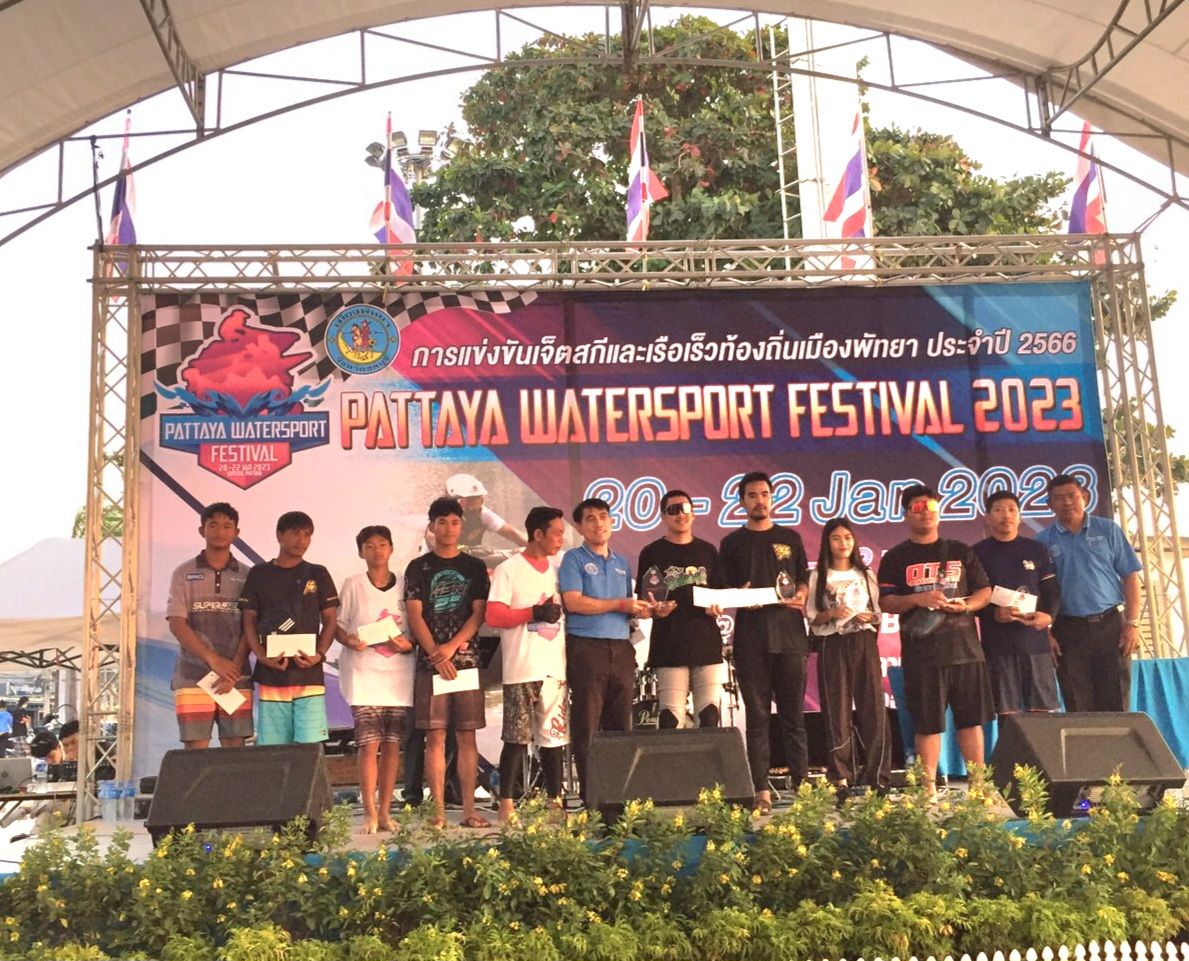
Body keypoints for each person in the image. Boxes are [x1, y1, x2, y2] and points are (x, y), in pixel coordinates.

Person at [878, 485, 993, 793]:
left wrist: (965, 606)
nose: (925, 512)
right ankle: (928, 790)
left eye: (930, 506)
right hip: (923, 655)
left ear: (939, 512)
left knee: (971, 722)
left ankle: (978, 787)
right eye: (917, 508)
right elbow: (886, 602)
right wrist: (918, 599)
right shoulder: (896, 557)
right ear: (906, 515)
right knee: (927, 724)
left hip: (965, 651)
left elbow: (984, 592)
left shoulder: (960, 551)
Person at [718, 471, 811, 814]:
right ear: (742, 501)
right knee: (757, 719)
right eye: (752, 495)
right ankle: (761, 792)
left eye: (764, 494)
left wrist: (801, 594)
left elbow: (803, 579)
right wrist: (738, 595)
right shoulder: (731, 543)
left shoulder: (790, 537)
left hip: (790, 638)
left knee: (793, 718)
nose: (760, 501)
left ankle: (803, 790)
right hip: (751, 642)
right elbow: (723, 588)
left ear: (772, 498)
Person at [404, 496, 491, 829]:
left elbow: (479, 613)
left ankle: (469, 809)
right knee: (435, 737)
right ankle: (438, 812)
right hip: (431, 665)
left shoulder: (474, 566)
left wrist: (451, 647)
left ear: (462, 525)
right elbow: (415, 616)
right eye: (442, 522)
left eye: (455, 522)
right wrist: (435, 654)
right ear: (431, 526)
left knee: (467, 736)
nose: (449, 528)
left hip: (466, 662)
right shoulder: (418, 567)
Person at [559, 497, 651, 807]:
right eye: (590, 518)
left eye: (603, 516)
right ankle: (592, 798)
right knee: (587, 724)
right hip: (587, 647)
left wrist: (646, 610)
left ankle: (619, 798)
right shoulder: (573, 559)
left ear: (612, 521)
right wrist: (620, 604)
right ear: (579, 527)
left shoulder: (622, 562)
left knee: (620, 726)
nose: (599, 523)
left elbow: (627, 610)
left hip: (621, 647)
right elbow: (573, 602)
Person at [485, 506, 569, 822]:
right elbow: (494, 615)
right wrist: (533, 612)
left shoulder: (558, 570)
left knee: (554, 738)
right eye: (556, 533)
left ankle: (555, 802)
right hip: (522, 667)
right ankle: (506, 803)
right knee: (516, 737)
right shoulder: (509, 569)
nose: (561, 539)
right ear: (538, 534)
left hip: (554, 667)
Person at [1035, 473, 1143, 712]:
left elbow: (1131, 577)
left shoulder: (1108, 530)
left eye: (1072, 496)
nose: (1067, 502)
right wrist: (1047, 633)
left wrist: (1132, 623)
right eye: (1059, 498)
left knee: (1116, 702)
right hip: (1067, 630)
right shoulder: (1042, 541)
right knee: (1078, 704)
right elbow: (1040, 592)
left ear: (1085, 497)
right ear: (1049, 505)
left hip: (1111, 626)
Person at [336, 525, 416, 834]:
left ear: (391, 549)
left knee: (392, 745)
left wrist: (408, 644)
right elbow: (338, 626)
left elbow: (416, 628)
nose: (377, 551)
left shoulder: (406, 585)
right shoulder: (353, 585)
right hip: (364, 675)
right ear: (360, 552)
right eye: (369, 546)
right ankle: (369, 812)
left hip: (398, 676)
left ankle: (385, 812)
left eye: (382, 544)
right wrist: (349, 640)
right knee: (369, 745)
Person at [805, 517, 891, 796]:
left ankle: (878, 776)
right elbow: (813, 618)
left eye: (848, 537)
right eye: (836, 538)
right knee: (836, 709)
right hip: (832, 643)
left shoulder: (865, 574)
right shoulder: (818, 576)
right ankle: (841, 776)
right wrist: (832, 613)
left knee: (873, 708)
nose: (843, 543)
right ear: (827, 543)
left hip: (862, 641)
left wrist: (867, 617)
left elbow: (877, 613)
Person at [239, 511, 339, 745]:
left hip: (309, 676)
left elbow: (330, 620)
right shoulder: (259, 573)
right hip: (272, 676)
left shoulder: (318, 573)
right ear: (279, 535)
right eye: (295, 533)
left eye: (307, 535)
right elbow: (249, 620)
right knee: (273, 748)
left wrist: (319, 654)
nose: (301, 540)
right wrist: (261, 656)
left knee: (310, 746)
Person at [635, 490, 727, 729]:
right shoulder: (652, 552)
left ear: (694, 513)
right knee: (670, 718)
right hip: (669, 643)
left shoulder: (708, 550)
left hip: (706, 642)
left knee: (709, 716)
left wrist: (717, 607)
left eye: (685, 508)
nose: (680, 515)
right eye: (673, 510)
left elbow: (720, 593)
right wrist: (654, 610)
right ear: (663, 516)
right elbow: (646, 599)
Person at [165, 502, 252, 749]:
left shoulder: (248, 575)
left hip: (236, 677)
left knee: (235, 748)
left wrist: (233, 669)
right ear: (201, 530)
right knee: (195, 751)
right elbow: (177, 623)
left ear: (236, 532)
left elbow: (251, 626)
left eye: (227, 525)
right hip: (192, 676)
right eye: (213, 525)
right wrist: (214, 660)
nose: (220, 531)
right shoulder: (183, 573)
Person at [973, 490, 1062, 723]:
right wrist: (993, 613)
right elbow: (970, 599)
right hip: (998, 647)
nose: (1006, 515)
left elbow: (1051, 592)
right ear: (987, 517)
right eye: (998, 510)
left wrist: (1049, 617)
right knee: (1008, 719)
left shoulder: (1037, 550)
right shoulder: (976, 553)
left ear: (1020, 516)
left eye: (1012, 510)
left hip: (1036, 645)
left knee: (1042, 718)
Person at [424, 473, 527, 551]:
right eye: (468, 501)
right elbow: (433, 538)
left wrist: (532, 547)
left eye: (478, 500)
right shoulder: (438, 514)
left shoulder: (482, 513)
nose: (473, 507)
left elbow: (512, 534)